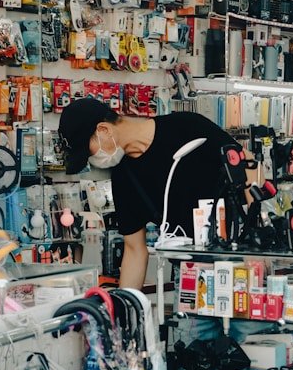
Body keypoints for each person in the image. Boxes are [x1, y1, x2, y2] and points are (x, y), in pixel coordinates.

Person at [58, 97, 240, 290]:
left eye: (88, 152)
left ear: (104, 130)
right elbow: (134, 250)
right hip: (191, 274)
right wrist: (126, 305)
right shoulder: (124, 178)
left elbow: (249, 167)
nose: (92, 160)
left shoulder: (187, 127)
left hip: (240, 263)